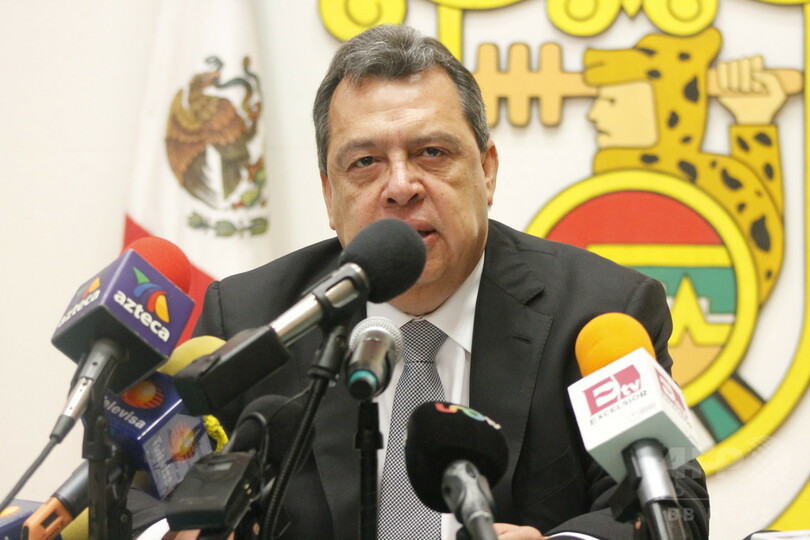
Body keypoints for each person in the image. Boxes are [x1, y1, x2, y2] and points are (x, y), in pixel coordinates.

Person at [194, 24, 710, 539]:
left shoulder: (601, 313)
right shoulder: (254, 321)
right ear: (330, 195)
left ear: (487, 171)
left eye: (432, 153)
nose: (400, 187)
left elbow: (676, 507)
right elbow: (160, 496)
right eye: (366, 162)